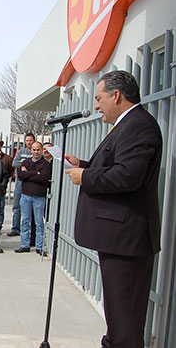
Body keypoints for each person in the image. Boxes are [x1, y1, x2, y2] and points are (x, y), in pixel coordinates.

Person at [65, 70, 162, 348]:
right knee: (119, 317)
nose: (96, 106)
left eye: (99, 98)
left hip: (128, 241)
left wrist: (86, 177)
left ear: (116, 96)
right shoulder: (127, 125)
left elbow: (129, 176)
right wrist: (83, 165)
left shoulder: (138, 125)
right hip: (119, 239)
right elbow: (117, 168)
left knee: (125, 324)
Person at [15, 141, 51, 255]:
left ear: (41, 151)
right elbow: (21, 175)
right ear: (31, 150)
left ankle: (39, 247)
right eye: (34, 150)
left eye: (38, 150)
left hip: (39, 197)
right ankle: (25, 245)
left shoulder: (46, 164)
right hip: (25, 196)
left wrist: (29, 174)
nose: (36, 152)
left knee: (39, 222)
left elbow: (43, 178)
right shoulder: (25, 162)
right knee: (25, 221)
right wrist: (36, 173)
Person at [8, 133, 35, 237]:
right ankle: (15, 228)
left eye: (30, 140)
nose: (29, 142)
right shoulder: (20, 152)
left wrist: (25, 163)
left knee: (30, 208)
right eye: (27, 140)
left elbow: (36, 165)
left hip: (31, 182)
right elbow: (14, 163)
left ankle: (30, 230)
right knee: (16, 206)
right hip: (20, 182)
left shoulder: (35, 152)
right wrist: (27, 164)